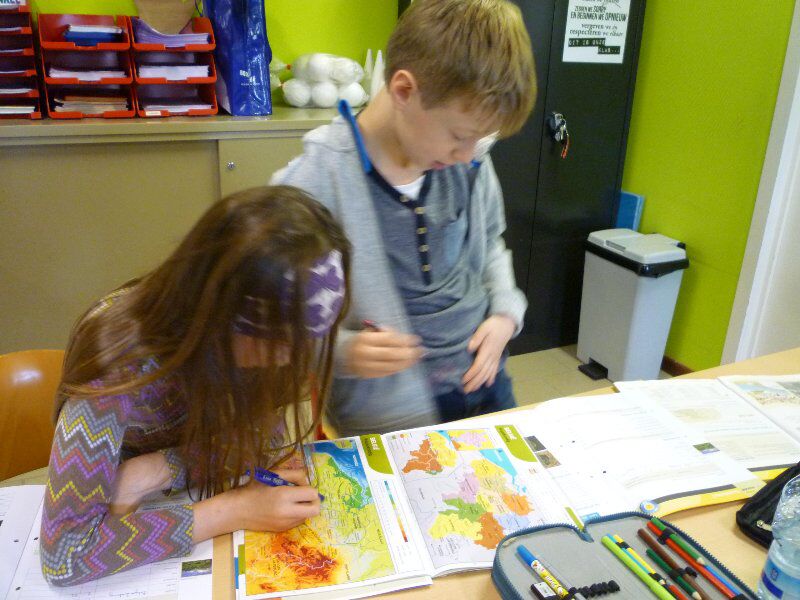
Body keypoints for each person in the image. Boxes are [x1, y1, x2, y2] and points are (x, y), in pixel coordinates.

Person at [40, 186, 350, 586]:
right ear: (218, 317)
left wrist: (161, 468)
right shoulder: (118, 367)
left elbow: (266, 437)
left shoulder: (258, 341)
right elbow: (66, 556)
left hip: (166, 495)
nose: (288, 360)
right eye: (278, 342)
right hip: (122, 512)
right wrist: (234, 510)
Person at [271, 0, 537, 436]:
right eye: (459, 136)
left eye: (480, 139)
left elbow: (491, 243)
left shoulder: (468, 158)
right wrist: (342, 353)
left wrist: (505, 314)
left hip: (487, 383)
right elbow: (280, 326)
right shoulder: (313, 183)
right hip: (388, 419)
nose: (467, 155)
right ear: (403, 91)